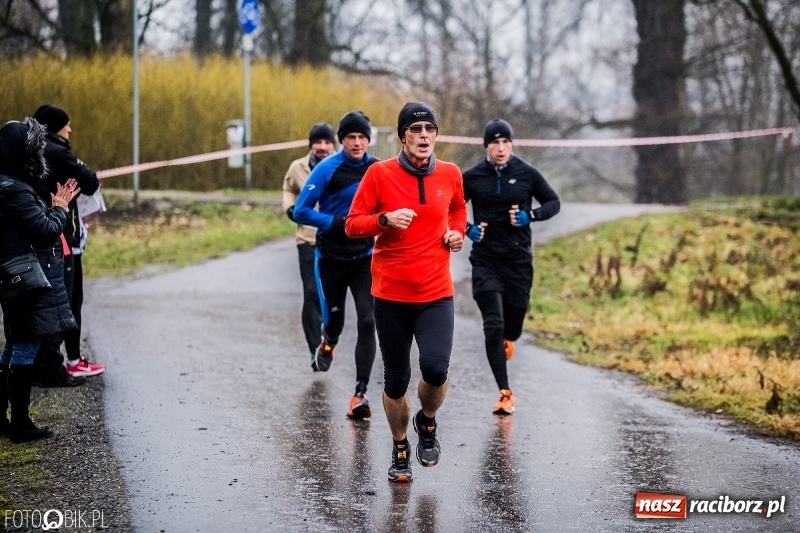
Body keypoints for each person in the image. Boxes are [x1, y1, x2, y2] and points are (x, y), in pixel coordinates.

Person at [345, 102, 467, 482]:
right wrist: (384, 220)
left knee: (436, 368)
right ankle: (400, 448)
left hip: (435, 293)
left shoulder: (450, 173)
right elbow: (352, 224)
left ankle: (426, 422)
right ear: (403, 136)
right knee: (396, 381)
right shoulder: (379, 174)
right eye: (416, 129)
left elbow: (458, 210)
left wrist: (457, 232)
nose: (424, 135)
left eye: (430, 128)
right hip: (391, 295)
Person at [462, 118, 560, 415]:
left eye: (506, 142)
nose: (501, 148)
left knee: (513, 324)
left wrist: (531, 215)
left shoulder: (527, 173)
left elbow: (553, 202)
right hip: (485, 260)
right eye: (495, 142)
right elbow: (449, 208)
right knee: (493, 324)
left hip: (518, 261)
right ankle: (505, 393)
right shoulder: (472, 177)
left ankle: (509, 338)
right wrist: (467, 229)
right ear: (486, 146)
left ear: (512, 144)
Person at [292, 111, 378, 420]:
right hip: (330, 258)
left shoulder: (377, 169)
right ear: (341, 140)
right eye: (350, 137)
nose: (356, 142)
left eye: (362, 137)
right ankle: (327, 343)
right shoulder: (327, 168)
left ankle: (360, 393)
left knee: (368, 320)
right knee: (335, 323)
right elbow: (300, 211)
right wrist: (335, 222)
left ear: (368, 139)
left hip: (364, 257)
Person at [0, 118, 81, 442]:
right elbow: (45, 230)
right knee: (25, 344)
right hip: (24, 277)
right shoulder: (15, 190)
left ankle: (5, 419)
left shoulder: (9, 184)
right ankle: (20, 422)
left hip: (14, 275)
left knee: (14, 344)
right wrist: (60, 209)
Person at [31, 104, 105, 384]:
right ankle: (66, 363)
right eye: (66, 125)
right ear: (55, 128)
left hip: (43, 231)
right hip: (60, 233)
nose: (70, 129)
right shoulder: (57, 150)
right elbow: (90, 181)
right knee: (68, 301)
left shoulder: (32, 147)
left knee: (46, 302)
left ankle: (50, 364)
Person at [282, 123, 336, 369]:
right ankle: (315, 349)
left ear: (333, 144)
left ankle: (329, 340)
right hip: (308, 239)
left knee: (331, 295)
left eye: (327, 142)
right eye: (318, 142)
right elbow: (288, 189)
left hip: (336, 238)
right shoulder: (297, 168)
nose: (322, 147)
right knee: (312, 292)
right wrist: (290, 208)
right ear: (311, 144)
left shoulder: (342, 166)